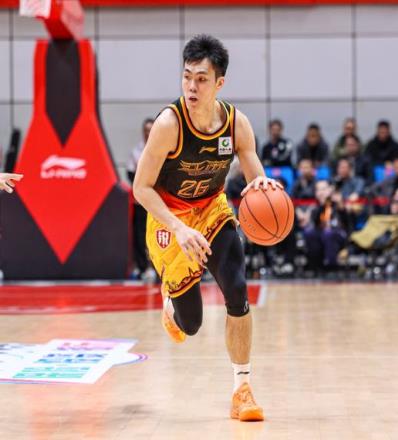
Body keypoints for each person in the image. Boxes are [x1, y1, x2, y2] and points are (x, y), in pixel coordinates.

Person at [133, 35, 280, 422]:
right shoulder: (169, 125)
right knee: (192, 324)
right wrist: (178, 229)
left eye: (201, 79)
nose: (192, 86)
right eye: (187, 77)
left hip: (212, 208)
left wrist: (262, 185)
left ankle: (242, 389)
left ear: (219, 83)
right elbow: (141, 188)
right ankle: (171, 303)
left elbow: (252, 168)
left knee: (236, 288)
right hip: (169, 217)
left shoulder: (235, 123)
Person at [127, 117, 154, 279]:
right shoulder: (136, 152)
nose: (147, 133)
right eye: (145, 130)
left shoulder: (162, 147)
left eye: (150, 130)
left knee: (157, 234)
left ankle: (157, 268)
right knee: (140, 235)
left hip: (157, 201)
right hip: (140, 200)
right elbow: (131, 174)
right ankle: (142, 267)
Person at [302, 179, 348, 274]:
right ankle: (315, 266)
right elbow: (315, 222)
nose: (321, 192)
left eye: (324, 189)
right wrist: (322, 205)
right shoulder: (315, 207)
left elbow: (346, 220)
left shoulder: (337, 202)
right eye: (318, 190)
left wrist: (340, 204)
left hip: (339, 233)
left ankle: (332, 267)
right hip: (322, 234)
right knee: (309, 233)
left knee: (328, 233)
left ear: (330, 190)